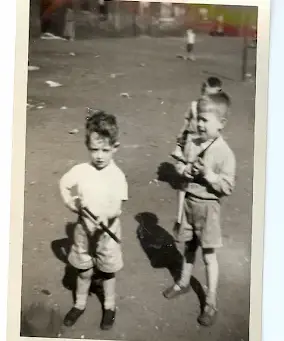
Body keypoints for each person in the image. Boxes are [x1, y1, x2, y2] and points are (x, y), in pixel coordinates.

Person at [164, 92, 236, 327]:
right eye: (199, 119)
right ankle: (184, 282)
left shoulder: (225, 153)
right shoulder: (193, 143)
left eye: (206, 120)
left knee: (208, 255)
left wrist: (209, 175)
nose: (200, 124)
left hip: (208, 208)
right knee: (188, 246)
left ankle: (211, 301)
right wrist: (183, 170)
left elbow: (227, 187)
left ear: (221, 124)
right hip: (189, 204)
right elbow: (180, 163)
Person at [59, 109, 128, 330]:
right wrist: (71, 203)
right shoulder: (82, 170)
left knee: (107, 272)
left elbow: (117, 206)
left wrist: (105, 215)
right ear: (88, 147)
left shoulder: (117, 176)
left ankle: (109, 305)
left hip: (107, 234)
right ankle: (79, 303)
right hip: (83, 233)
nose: (99, 156)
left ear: (114, 148)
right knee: (84, 270)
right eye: (94, 149)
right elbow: (64, 183)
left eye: (105, 150)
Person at [171, 77, 223, 226]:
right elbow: (186, 124)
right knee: (185, 179)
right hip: (192, 144)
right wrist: (179, 141)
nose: (207, 99)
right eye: (205, 95)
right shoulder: (194, 106)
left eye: (212, 96)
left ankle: (203, 214)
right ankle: (180, 216)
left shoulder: (217, 111)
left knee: (202, 179)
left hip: (206, 146)